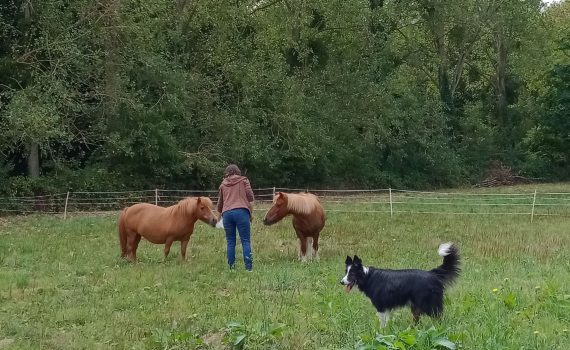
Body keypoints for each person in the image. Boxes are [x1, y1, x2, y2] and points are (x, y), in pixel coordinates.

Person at [217, 164, 254, 271]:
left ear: (227, 173)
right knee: (245, 241)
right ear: (238, 172)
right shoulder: (244, 181)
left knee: (230, 241)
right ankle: (249, 268)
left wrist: (219, 218)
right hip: (242, 212)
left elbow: (220, 204)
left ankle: (232, 268)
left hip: (227, 214)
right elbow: (250, 196)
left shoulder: (223, 184)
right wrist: (250, 213)